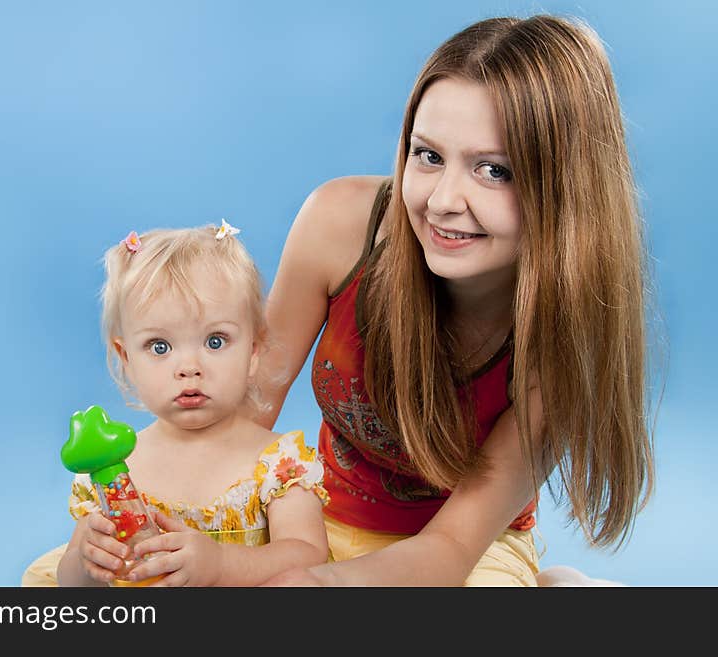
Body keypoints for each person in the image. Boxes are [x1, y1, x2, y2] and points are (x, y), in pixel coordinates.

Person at [255, 15, 657, 586]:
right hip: (312, 524)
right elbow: (240, 424)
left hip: (464, 552)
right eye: (428, 156)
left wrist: (319, 586)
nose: (444, 200)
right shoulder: (338, 226)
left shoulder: (561, 340)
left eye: (493, 170)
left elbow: (448, 550)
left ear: (567, 187)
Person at [52, 221, 329, 587]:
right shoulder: (115, 471)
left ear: (253, 353)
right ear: (126, 359)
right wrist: (86, 562)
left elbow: (310, 555)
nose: (189, 368)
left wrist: (223, 564)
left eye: (215, 341)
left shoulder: (278, 464)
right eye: (160, 347)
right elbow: (74, 588)